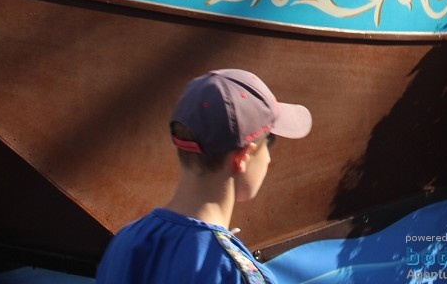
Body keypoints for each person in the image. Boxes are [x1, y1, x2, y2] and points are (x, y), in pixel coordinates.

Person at [95, 69, 312, 284]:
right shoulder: (241, 275)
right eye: (270, 143)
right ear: (244, 156)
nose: (269, 160)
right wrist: (230, 254)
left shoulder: (125, 242)